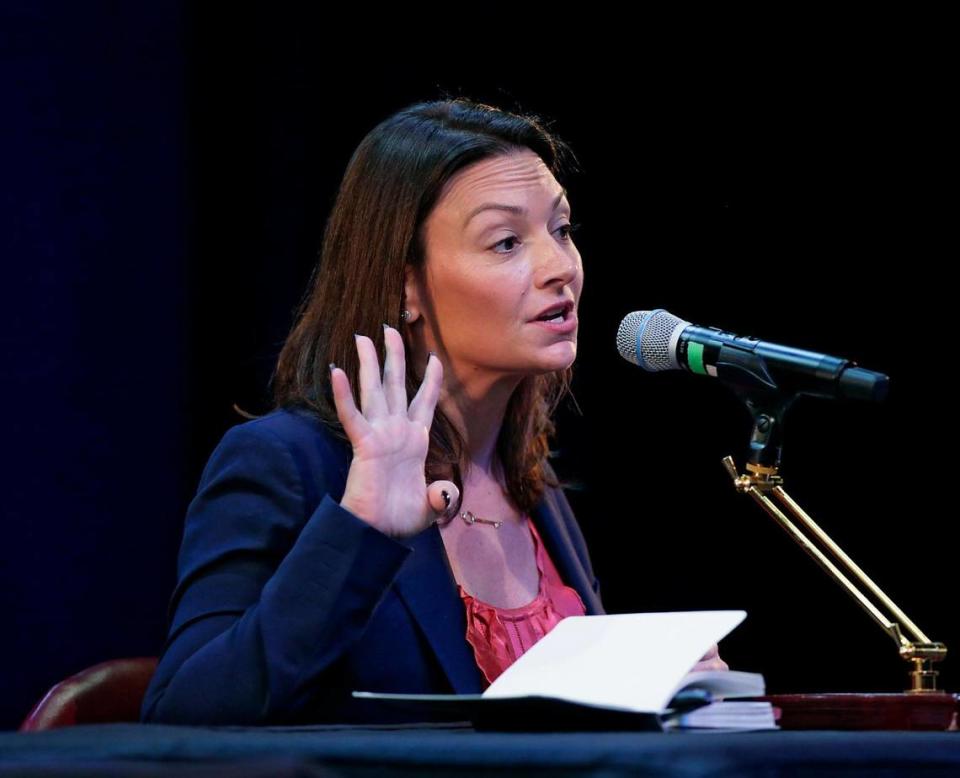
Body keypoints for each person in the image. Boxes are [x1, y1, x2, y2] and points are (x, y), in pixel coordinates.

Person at [141, 97, 726, 726]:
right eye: (506, 242)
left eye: (561, 230)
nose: (561, 268)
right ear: (404, 287)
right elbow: (180, 714)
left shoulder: (532, 484)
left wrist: (651, 690)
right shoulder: (287, 464)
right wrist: (359, 531)